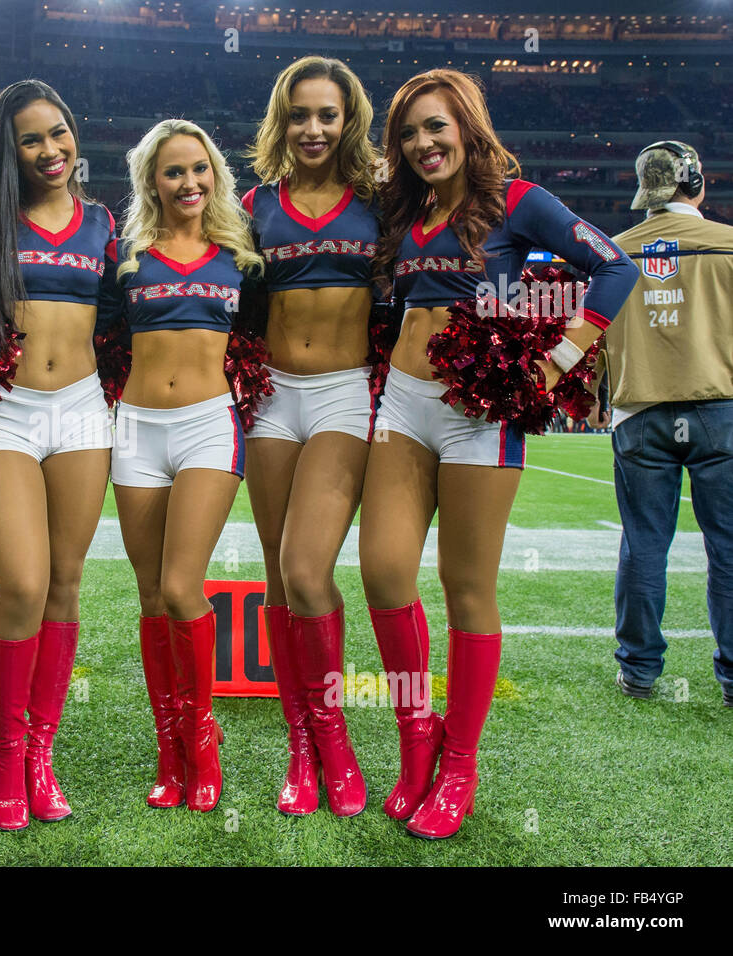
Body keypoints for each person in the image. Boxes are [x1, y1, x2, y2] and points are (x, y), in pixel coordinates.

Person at [362, 69, 637, 839]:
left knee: (465, 587)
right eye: (410, 132)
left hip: (479, 414)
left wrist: (553, 362)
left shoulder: (519, 203)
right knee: (384, 572)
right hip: (402, 406)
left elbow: (615, 265)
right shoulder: (403, 213)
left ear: (468, 129)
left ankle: (459, 766)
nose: (423, 143)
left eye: (437, 127)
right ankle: (417, 742)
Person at [0, 80, 116, 830]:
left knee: (65, 584)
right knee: (22, 584)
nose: (51, 150)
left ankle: (41, 756)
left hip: (82, 410)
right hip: (6, 412)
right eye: (31, 139)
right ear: (8, 150)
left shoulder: (105, 223)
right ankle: (5, 752)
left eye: (59, 133)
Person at [104, 119, 264, 813]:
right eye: (173, 172)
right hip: (135, 428)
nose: (188, 183)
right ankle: (168, 751)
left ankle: (202, 738)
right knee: (148, 596)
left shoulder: (243, 257)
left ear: (215, 175)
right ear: (152, 181)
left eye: (199, 169)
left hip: (207, 427)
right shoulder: (127, 255)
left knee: (179, 586)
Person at [241, 55, 380, 818]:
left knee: (305, 568)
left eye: (327, 115)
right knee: (273, 573)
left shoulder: (381, 200)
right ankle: (300, 743)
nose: (314, 128)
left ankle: (335, 737)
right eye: (300, 115)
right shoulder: (254, 204)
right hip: (269, 398)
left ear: (348, 119)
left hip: (343, 395)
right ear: (282, 122)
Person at [597, 141, 733, 708]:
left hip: (640, 412)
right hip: (721, 410)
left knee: (644, 544)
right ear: (697, 184)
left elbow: (594, 336)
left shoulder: (611, 254)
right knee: (727, 549)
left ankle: (640, 671)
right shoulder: (728, 247)